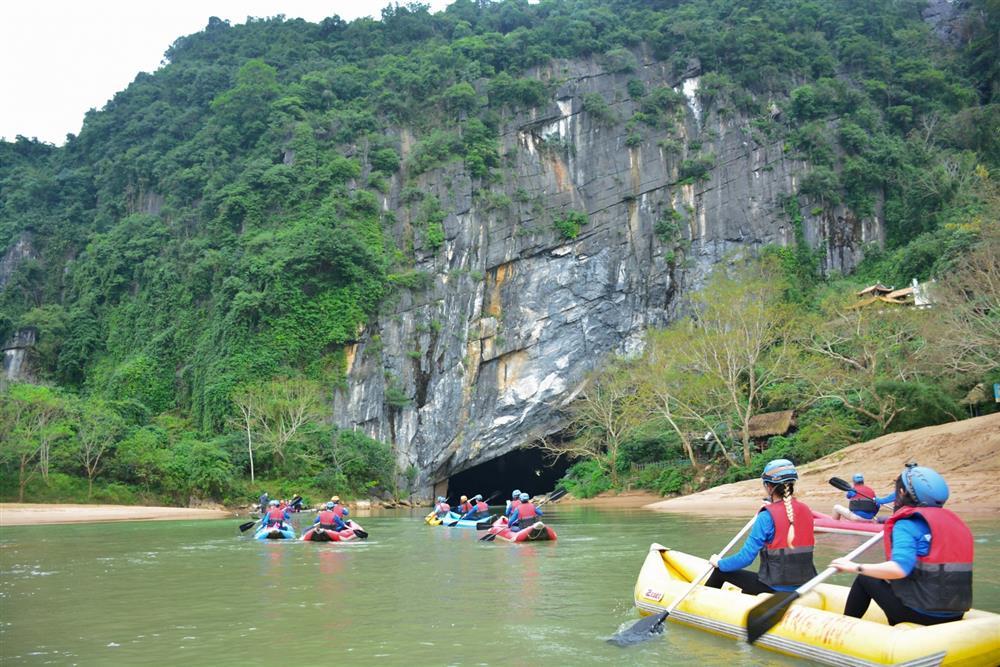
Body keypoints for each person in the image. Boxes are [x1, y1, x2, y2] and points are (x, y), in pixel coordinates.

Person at [830, 465, 973, 626]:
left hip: (923, 615)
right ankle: (894, 627)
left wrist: (853, 566)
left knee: (865, 578)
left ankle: (843, 626)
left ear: (902, 493)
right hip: (956, 613)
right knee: (890, 580)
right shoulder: (957, 523)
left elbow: (899, 569)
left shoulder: (906, 525)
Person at [705, 458, 817, 594]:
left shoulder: (766, 517)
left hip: (775, 587)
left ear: (768, 487)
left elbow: (745, 559)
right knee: (748, 587)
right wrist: (774, 507)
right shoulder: (806, 510)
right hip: (805, 584)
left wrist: (719, 563)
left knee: (719, 572)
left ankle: (698, 602)